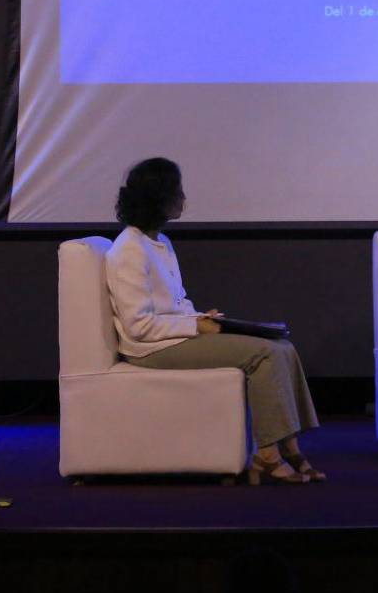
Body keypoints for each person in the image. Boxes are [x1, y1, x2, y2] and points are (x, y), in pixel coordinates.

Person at [105, 157, 323, 484]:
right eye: (177, 191)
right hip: (150, 349)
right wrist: (195, 326)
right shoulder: (129, 250)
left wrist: (199, 317)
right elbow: (139, 326)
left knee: (282, 346)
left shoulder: (160, 242)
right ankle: (267, 455)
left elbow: (176, 302)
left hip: (173, 337)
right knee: (264, 354)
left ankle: (290, 445)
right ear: (159, 198)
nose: (183, 198)